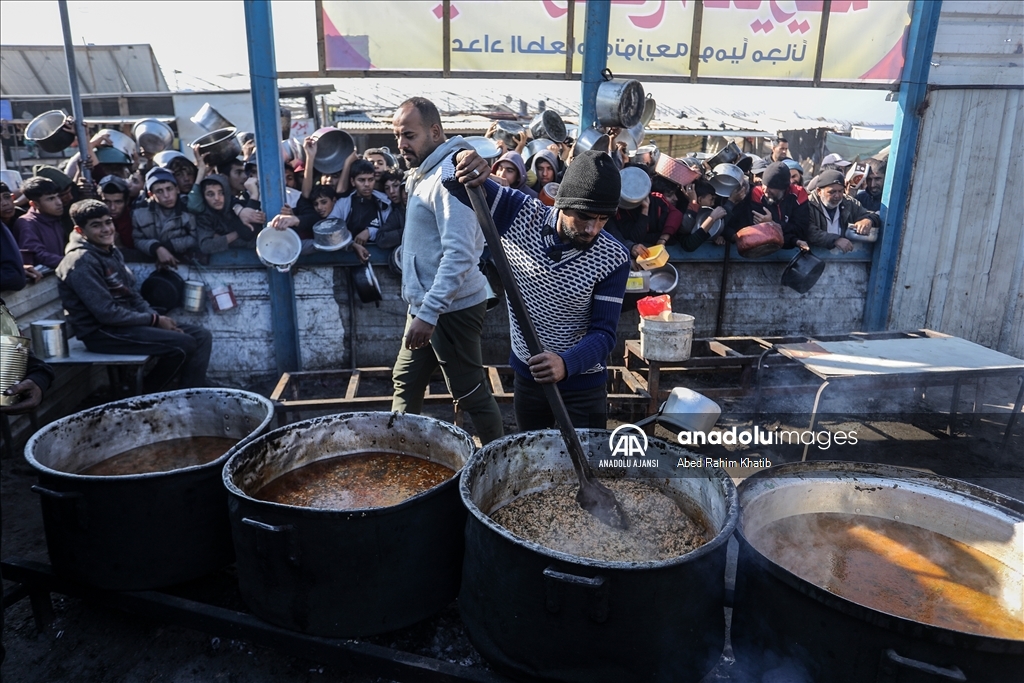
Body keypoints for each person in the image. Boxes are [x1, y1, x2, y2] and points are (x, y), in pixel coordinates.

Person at [447, 149, 629, 430]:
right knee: (533, 460)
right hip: (529, 376)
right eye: (584, 216)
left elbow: (604, 334)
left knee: (590, 459)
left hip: (584, 385)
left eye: (603, 219)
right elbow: (450, 179)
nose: (593, 229)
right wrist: (462, 158)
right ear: (562, 204)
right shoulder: (520, 214)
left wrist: (566, 363)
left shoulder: (612, 257)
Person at [389, 97, 504, 444]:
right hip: (427, 307)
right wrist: (423, 311)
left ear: (435, 131)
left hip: (451, 308)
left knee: (469, 392)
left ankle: (501, 459)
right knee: (405, 381)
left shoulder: (448, 178)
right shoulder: (423, 174)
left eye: (409, 135)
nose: (401, 144)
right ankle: (399, 453)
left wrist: (430, 313)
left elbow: (460, 254)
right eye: (397, 136)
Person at [57, 200, 212, 391]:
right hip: (101, 333)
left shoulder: (111, 252)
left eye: (108, 222)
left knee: (201, 336)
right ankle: (147, 395)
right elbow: (106, 313)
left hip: (125, 324)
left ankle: (192, 393)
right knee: (183, 344)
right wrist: (155, 321)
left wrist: (158, 319)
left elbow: (133, 297)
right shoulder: (80, 261)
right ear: (80, 231)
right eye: (96, 225)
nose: (106, 229)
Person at [132, 167, 198, 268]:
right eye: (159, 191)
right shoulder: (139, 213)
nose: (166, 196)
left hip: (186, 263)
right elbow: (137, 240)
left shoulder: (188, 209)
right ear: (151, 194)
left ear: (177, 189)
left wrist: (170, 246)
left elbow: (196, 237)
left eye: (169, 189)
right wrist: (157, 248)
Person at [332, 159, 403, 252]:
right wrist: (349, 241)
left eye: (370, 180)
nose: (367, 184)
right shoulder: (343, 204)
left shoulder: (385, 203)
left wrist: (370, 232)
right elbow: (330, 228)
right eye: (361, 180)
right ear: (353, 181)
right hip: (346, 257)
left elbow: (390, 231)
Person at [805, 170, 880, 253]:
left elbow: (872, 215)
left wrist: (868, 220)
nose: (837, 196)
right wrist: (835, 240)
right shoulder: (808, 204)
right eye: (832, 192)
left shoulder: (849, 202)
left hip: (842, 260)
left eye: (840, 191)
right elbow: (809, 231)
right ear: (819, 191)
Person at [750, 161, 810, 251]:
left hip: (790, 251)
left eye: (771, 187)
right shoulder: (757, 193)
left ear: (783, 188)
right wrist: (792, 239)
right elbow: (760, 233)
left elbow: (800, 230)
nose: (766, 191)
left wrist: (772, 224)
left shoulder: (799, 195)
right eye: (764, 185)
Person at [195, 174, 259, 254]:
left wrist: (221, 238)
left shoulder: (238, 209)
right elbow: (206, 246)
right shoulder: (204, 217)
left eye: (221, 193)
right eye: (210, 194)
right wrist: (239, 233)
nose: (217, 198)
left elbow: (252, 239)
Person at [14, 176, 67, 269]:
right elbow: (37, 255)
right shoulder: (27, 223)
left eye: (58, 196)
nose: (59, 202)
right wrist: (69, 262)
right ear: (35, 204)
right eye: (51, 199)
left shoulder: (55, 218)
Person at [98, 175, 135, 250]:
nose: (112, 208)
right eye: (107, 202)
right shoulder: (94, 219)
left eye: (118, 202)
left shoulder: (136, 220)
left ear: (127, 201)